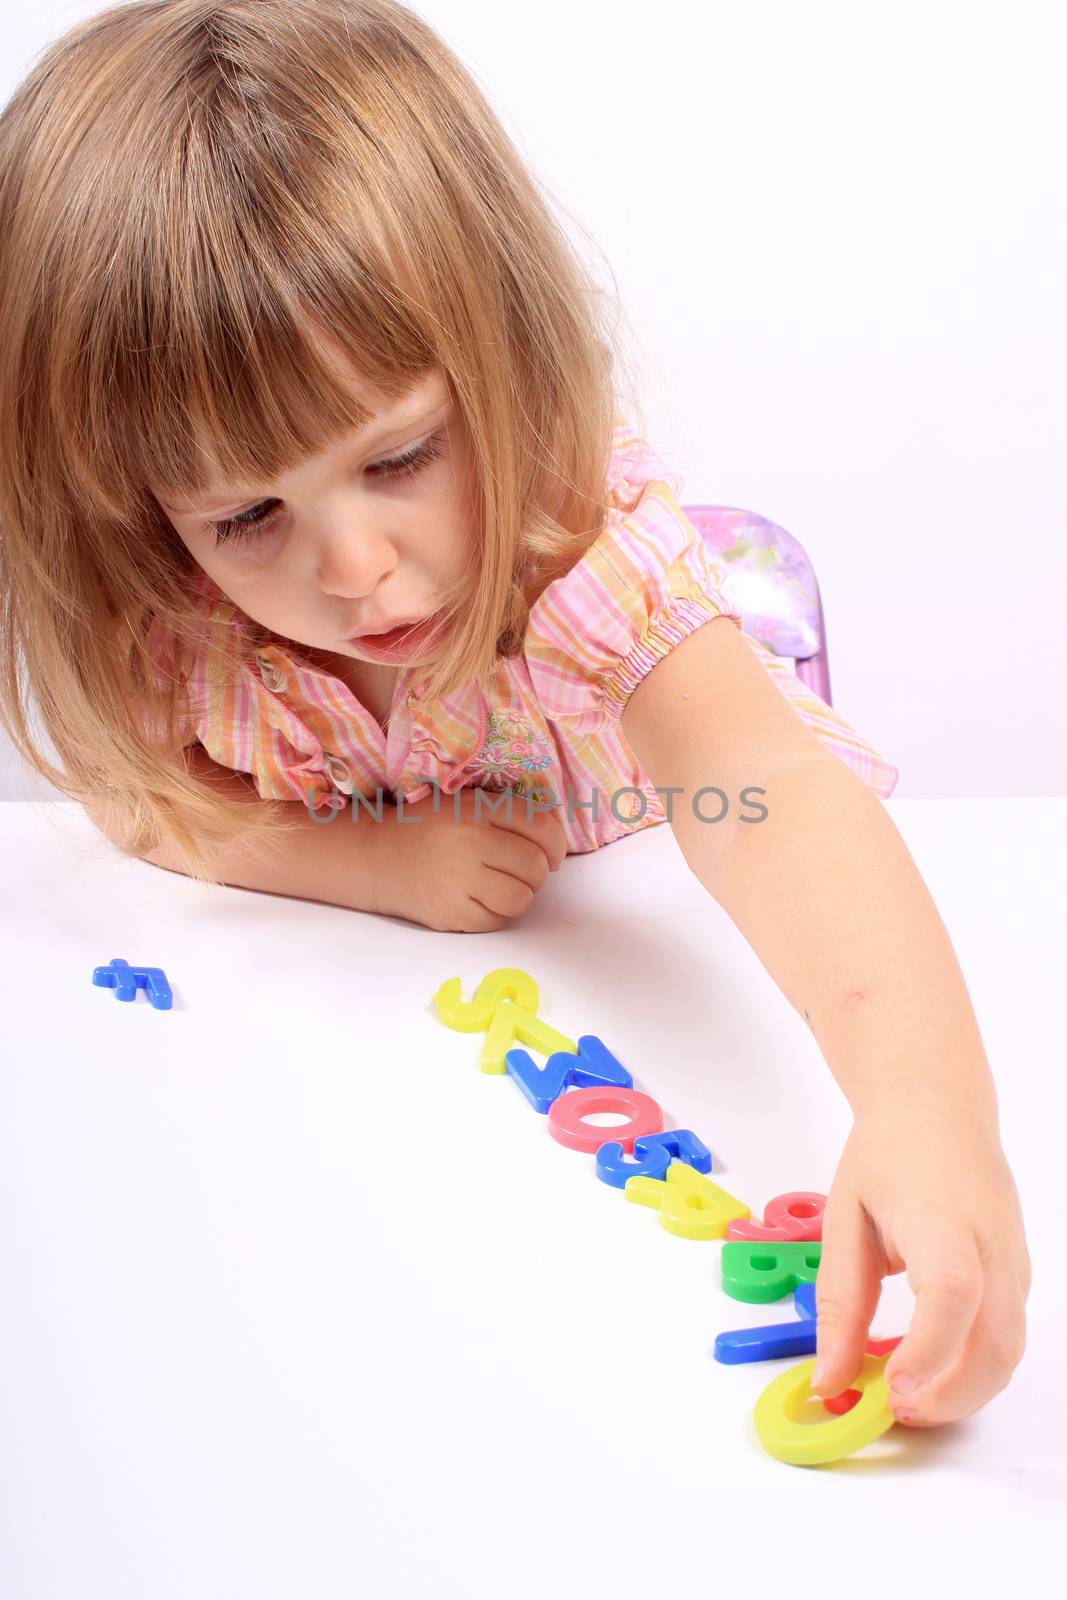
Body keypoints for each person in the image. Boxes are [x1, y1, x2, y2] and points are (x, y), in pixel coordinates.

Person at [0, 0, 1029, 1435]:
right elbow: (133, 797)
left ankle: (720, 599)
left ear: (504, 349)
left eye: (402, 455)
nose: (355, 572)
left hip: (652, 790)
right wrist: (365, 868)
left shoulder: (579, 561)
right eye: (250, 515)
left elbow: (759, 793)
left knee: (729, 725)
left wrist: (929, 1111)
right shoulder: (173, 620)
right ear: (142, 512)